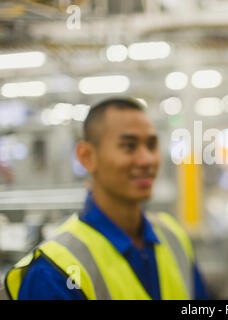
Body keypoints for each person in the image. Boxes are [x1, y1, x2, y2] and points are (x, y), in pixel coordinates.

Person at [1, 97, 209, 300]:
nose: (147, 159)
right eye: (129, 146)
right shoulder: (53, 272)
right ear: (87, 156)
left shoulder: (173, 237)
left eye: (152, 145)